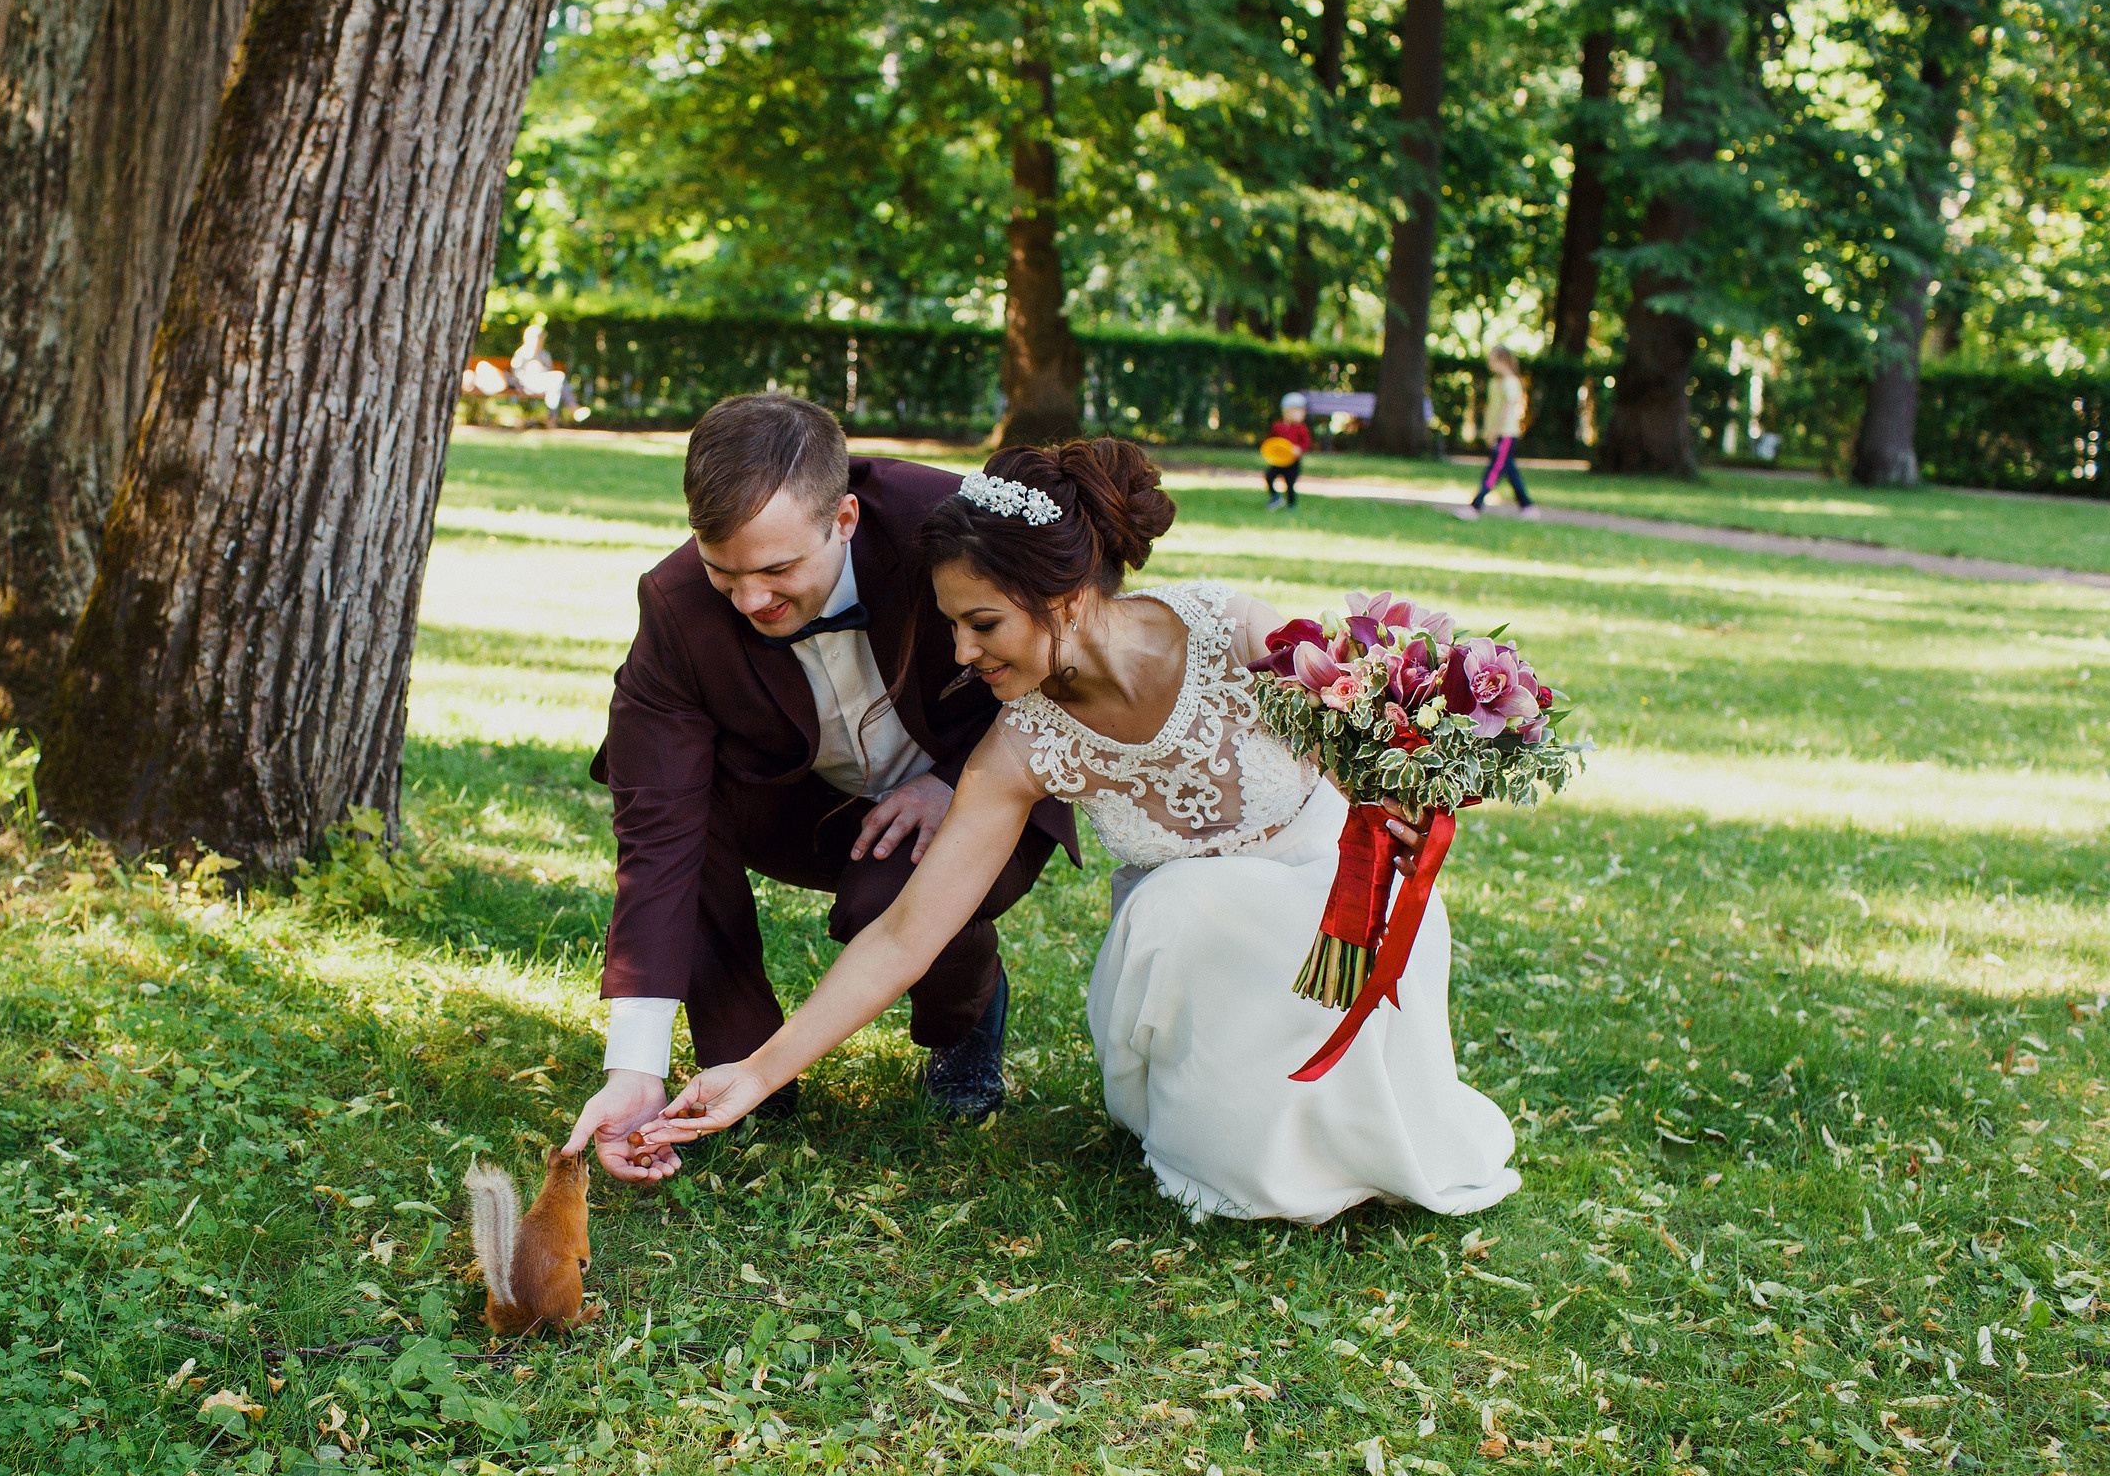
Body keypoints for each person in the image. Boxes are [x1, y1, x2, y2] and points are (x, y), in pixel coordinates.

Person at [637, 438, 1520, 1224]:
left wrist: (1399, 799)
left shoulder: (1234, 633)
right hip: (1192, 955)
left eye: (981, 624)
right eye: (951, 626)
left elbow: (1363, 725)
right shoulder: (1020, 746)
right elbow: (907, 933)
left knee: (1355, 917)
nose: (961, 654)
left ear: (1061, 597)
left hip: (1328, 887)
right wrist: (758, 1070)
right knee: (1186, 906)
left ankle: (1363, 1129)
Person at [561, 394, 1080, 1182]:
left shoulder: (947, 522)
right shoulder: (674, 604)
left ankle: (965, 1022)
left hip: (973, 781)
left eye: (776, 571)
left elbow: (1071, 633)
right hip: (805, 799)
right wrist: (632, 1063)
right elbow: (655, 831)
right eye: (723, 572)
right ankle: (739, 1068)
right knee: (680, 816)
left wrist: (956, 783)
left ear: (843, 518)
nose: (750, 602)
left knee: (886, 902)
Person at [1459, 346, 1534, 521]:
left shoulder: (1511, 382)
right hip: (1499, 433)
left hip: (1506, 433)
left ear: (1502, 360)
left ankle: (1475, 506)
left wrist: (1496, 431)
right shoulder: (1496, 383)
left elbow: (1506, 410)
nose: (1489, 364)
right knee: (1510, 472)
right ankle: (1527, 506)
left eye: (1492, 360)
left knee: (1494, 471)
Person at [1263, 393, 1312, 511]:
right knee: (1269, 476)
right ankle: (1275, 497)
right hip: (1279, 460)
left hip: (1292, 462)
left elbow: (1306, 444)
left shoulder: (1301, 428)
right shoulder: (1278, 426)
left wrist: (1299, 449)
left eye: (1303, 411)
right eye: (1298, 411)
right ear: (1286, 411)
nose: (1301, 414)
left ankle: (1291, 505)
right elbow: (1270, 441)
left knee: (1290, 484)